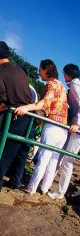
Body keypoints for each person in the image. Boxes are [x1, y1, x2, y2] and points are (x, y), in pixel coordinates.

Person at [14, 59, 68, 195]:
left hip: (52, 127)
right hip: (63, 128)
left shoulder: (51, 84)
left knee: (43, 159)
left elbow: (44, 104)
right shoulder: (61, 86)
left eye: (40, 70)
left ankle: (31, 188)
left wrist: (26, 107)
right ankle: (44, 189)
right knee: (53, 160)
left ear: (46, 69)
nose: (39, 73)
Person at [0, 41, 33, 192]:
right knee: (21, 153)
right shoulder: (19, 69)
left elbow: (1, 97)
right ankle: (15, 181)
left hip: (16, 115)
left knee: (5, 151)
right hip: (30, 115)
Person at [47, 64, 80, 199]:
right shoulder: (75, 84)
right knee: (65, 157)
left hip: (77, 129)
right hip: (76, 126)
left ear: (68, 73)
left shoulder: (74, 84)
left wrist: (77, 123)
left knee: (68, 160)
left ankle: (60, 193)